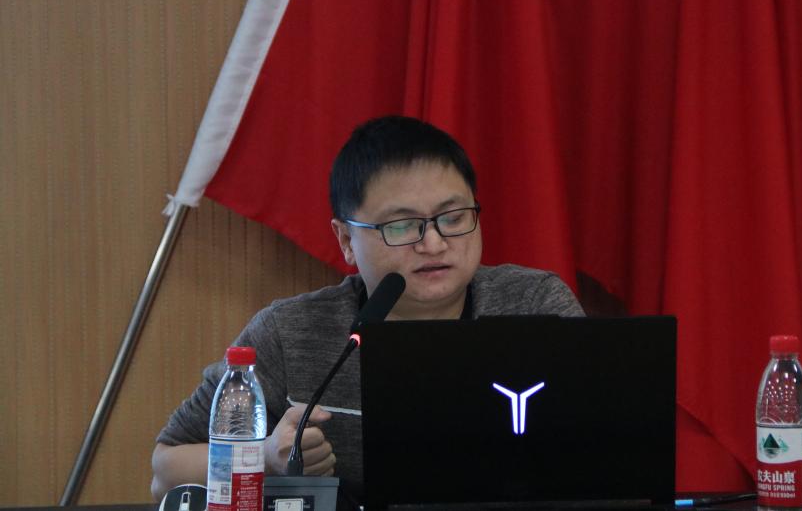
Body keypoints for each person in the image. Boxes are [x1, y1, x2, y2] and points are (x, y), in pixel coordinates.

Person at [151, 115, 583, 500]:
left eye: (453, 218)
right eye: (402, 226)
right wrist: (263, 457)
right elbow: (166, 469)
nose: (434, 243)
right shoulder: (291, 332)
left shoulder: (535, 304)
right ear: (345, 240)